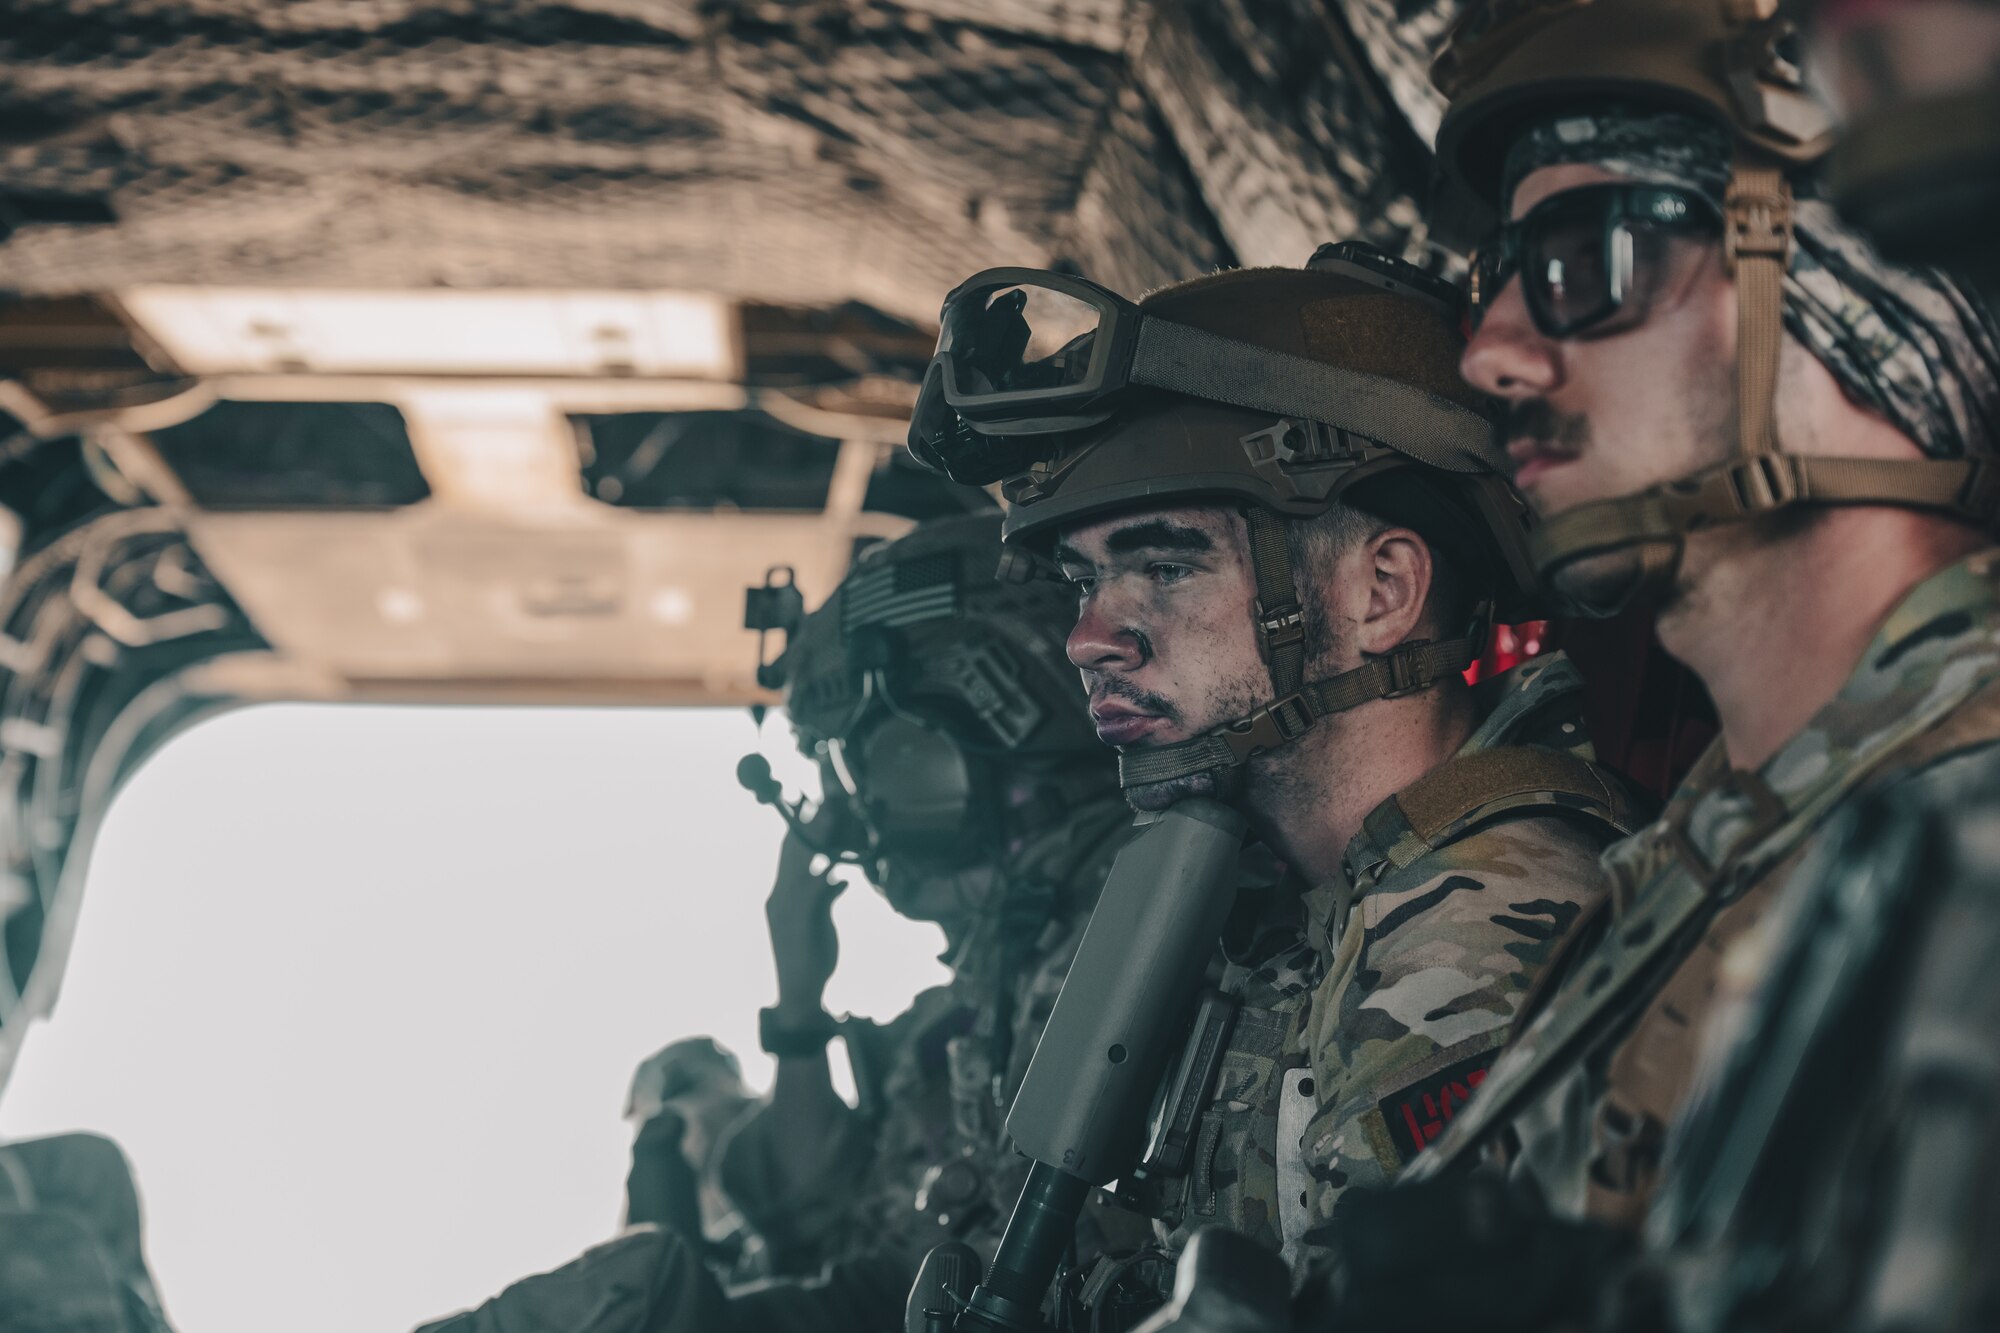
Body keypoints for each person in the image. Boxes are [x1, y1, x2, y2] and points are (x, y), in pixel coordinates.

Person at [1254, 5, 2000, 1331]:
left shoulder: (1968, 826)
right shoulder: (1700, 850)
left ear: (1833, 292)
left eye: (1584, 261)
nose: (1490, 352)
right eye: (1500, 273)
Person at [909, 243, 1647, 1323]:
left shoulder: (1476, 919)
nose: (1086, 638)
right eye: (1082, 578)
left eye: (1164, 565)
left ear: (1380, 592)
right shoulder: (1275, 909)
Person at [416, 512, 1141, 1333]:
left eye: (882, 764)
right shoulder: (956, 1014)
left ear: (1007, 714)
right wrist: (798, 997)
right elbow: (816, 1223)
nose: (858, 818)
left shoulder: (1140, 920)